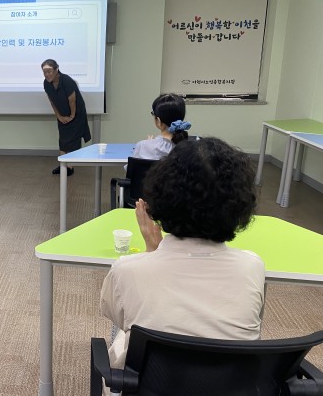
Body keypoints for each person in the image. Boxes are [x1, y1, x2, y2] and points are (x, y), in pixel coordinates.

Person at [100, 137, 265, 371]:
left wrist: (151, 252)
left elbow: (114, 313)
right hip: (231, 384)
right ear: (239, 204)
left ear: (162, 197)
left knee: (124, 325)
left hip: (150, 383)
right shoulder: (252, 266)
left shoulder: (127, 269)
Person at [42, 59, 91, 176]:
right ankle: (63, 165)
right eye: (44, 72)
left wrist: (72, 116)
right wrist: (59, 116)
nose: (47, 74)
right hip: (62, 114)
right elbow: (52, 101)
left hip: (76, 113)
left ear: (56, 69)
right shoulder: (46, 83)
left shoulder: (67, 81)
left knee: (72, 141)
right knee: (63, 140)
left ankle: (70, 167)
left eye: (49, 71)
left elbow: (72, 100)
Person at [132, 93, 191, 160]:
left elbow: (132, 166)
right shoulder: (190, 150)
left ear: (158, 121)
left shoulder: (142, 146)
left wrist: (149, 144)